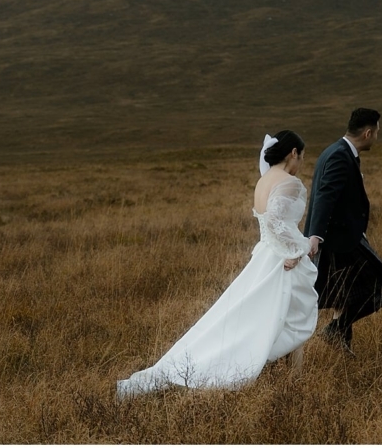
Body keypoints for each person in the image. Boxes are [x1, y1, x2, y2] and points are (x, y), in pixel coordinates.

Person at [116, 130, 322, 398]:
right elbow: (275, 221)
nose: (302, 163)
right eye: (302, 157)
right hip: (281, 261)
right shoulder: (291, 183)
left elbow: (269, 224)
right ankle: (292, 381)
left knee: (265, 316)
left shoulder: (263, 182)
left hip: (265, 256)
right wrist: (303, 246)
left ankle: (290, 378)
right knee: (282, 319)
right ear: (293, 153)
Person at [304, 108, 382, 356]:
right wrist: (315, 236)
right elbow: (325, 197)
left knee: (342, 298)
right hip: (341, 242)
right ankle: (336, 329)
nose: (377, 137)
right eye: (377, 132)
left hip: (343, 238)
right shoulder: (339, 156)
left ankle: (341, 350)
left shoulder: (336, 151)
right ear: (368, 133)